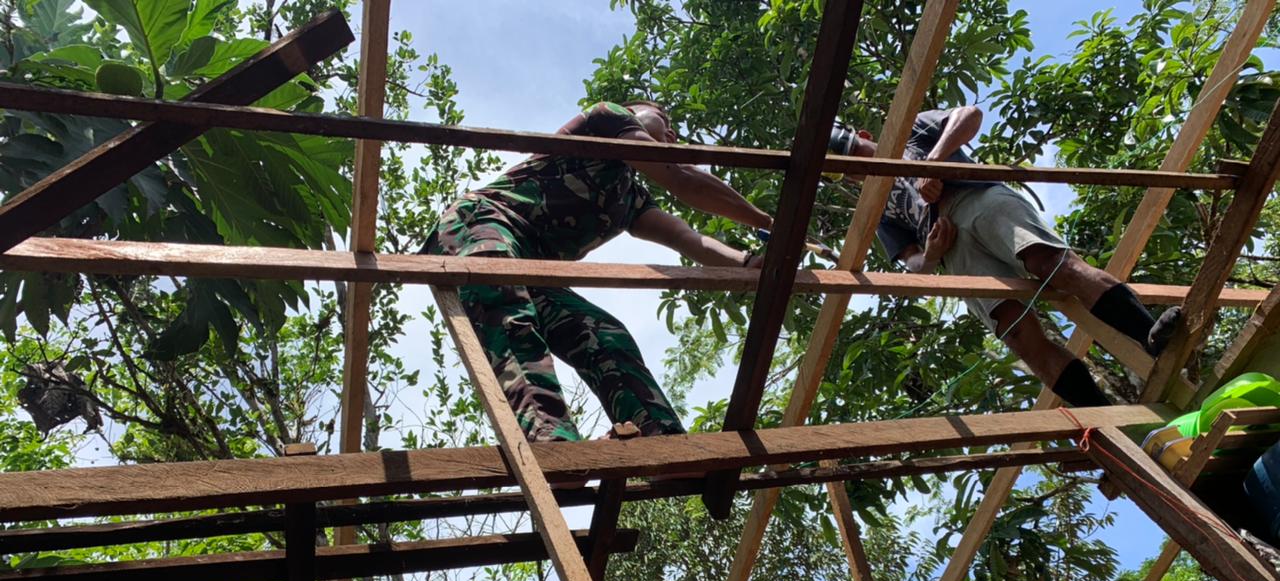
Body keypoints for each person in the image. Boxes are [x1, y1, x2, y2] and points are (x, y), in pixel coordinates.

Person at [422, 100, 773, 441]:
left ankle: (661, 440)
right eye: (663, 120)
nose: (671, 133)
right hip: (482, 226)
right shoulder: (606, 117)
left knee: (603, 334)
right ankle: (550, 441)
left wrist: (746, 262)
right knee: (509, 309)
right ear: (634, 113)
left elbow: (690, 240)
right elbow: (682, 179)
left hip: (532, 269)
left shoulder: (630, 199)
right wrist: (767, 220)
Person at [830, 107, 1181, 408]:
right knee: (1017, 333)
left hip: (977, 197)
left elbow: (968, 116)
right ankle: (1106, 422)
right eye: (850, 170)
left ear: (863, 135)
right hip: (954, 255)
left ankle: (1150, 335)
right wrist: (932, 255)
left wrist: (934, 162)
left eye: (854, 152)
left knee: (1052, 264)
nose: (858, 167)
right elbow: (913, 263)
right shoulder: (876, 211)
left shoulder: (912, 129)